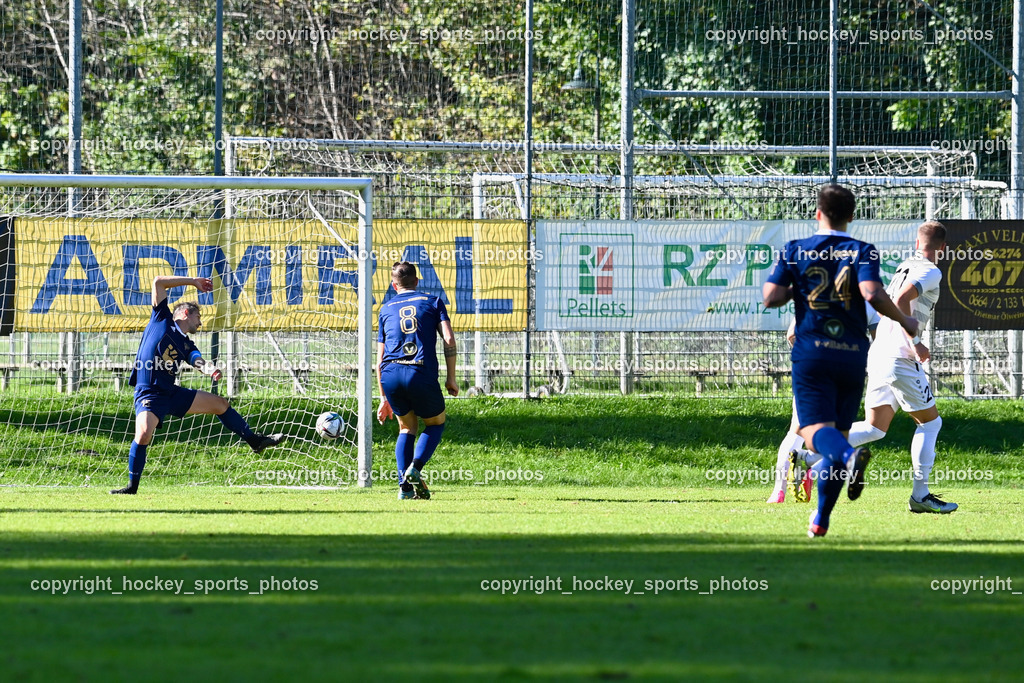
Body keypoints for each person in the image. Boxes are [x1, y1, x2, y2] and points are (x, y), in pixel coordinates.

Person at [763, 184, 918, 538]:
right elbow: (872, 293)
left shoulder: (795, 250)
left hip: (813, 353)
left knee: (813, 434)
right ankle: (820, 520)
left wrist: (797, 288)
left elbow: (771, 297)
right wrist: (905, 320)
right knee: (842, 435)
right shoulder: (863, 251)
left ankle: (849, 459)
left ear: (817, 213)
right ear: (851, 217)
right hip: (852, 354)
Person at [112, 276, 286, 494]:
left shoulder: (186, 343)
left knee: (220, 404)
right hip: (150, 392)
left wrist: (209, 369)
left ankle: (254, 441)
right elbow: (157, 282)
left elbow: (196, 359)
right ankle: (131, 487)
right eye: (198, 317)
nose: (201, 322)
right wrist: (193, 282)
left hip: (170, 393)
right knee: (145, 432)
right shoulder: (161, 318)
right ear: (185, 314)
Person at [376, 262, 458, 500]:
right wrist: (451, 378)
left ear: (394, 285)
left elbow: (379, 358)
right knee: (435, 423)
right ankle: (415, 468)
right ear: (417, 282)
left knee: (406, 427)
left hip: (391, 373)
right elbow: (449, 339)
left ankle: (404, 488)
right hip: (419, 371)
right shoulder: (433, 301)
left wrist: (383, 397)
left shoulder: (385, 309)